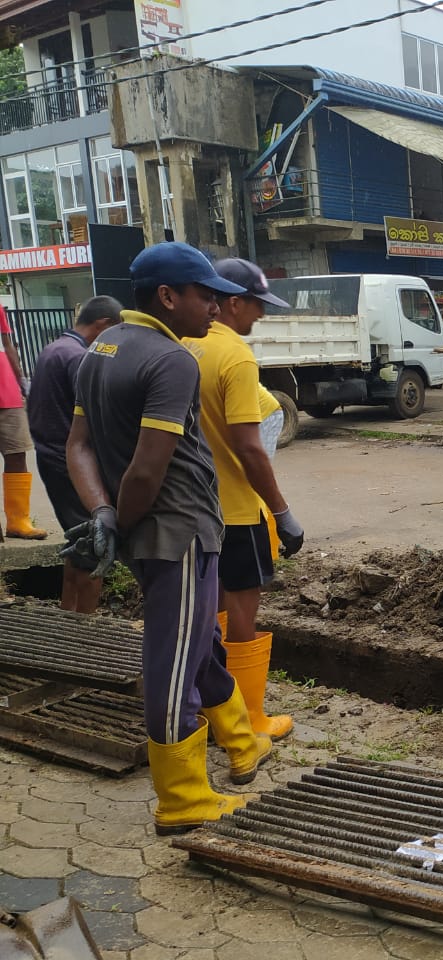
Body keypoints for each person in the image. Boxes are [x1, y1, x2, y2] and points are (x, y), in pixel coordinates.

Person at [64, 241, 272, 835]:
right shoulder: (170, 359)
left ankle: (241, 741)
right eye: (206, 296)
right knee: (173, 661)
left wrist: (103, 514)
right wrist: (121, 518)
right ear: (168, 296)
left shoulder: (101, 348)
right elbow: (148, 471)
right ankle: (182, 800)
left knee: (195, 639)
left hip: (143, 531)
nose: (215, 307)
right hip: (174, 530)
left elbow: (78, 446)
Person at [183, 257, 305, 743]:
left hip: (190, 510)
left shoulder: (181, 345)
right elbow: (249, 448)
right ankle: (248, 721)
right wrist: (282, 512)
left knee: (203, 615)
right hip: (235, 508)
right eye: (257, 306)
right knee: (241, 617)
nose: (261, 316)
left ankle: (207, 710)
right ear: (234, 303)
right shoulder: (233, 355)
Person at [26, 295, 124, 611]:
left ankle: (68, 614)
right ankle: (86, 626)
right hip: (70, 462)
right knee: (94, 546)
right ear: (104, 325)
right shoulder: (79, 358)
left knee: (76, 542)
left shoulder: (53, 349)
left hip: (49, 456)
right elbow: (94, 418)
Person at [0, 304, 49, 541]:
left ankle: (18, 521)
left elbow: (8, 346)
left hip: (6, 392)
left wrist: (21, 381)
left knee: (17, 453)